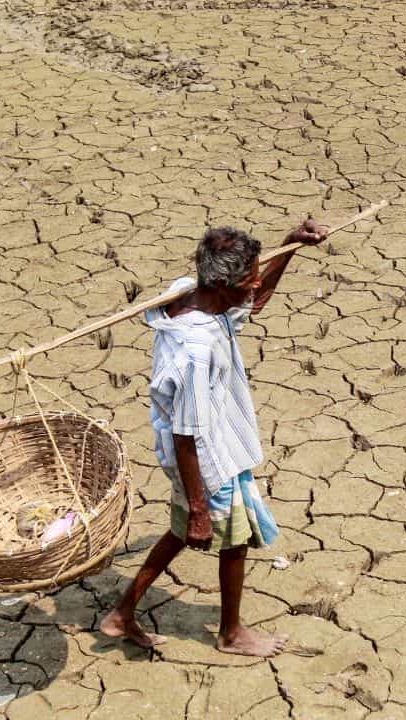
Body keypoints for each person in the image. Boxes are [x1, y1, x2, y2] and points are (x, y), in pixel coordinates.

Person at [100, 218, 326, 657]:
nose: (256, 283)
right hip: (205, 458)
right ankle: (230, 633)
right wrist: (201, 505)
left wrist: (290, 246)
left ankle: (123, 613)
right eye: (248, 278)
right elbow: (187, 436)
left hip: (210, 445)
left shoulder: (190, 291)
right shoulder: (195, 355)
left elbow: (253, 302)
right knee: (232, 538)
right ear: (222, 284)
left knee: (178, 531)